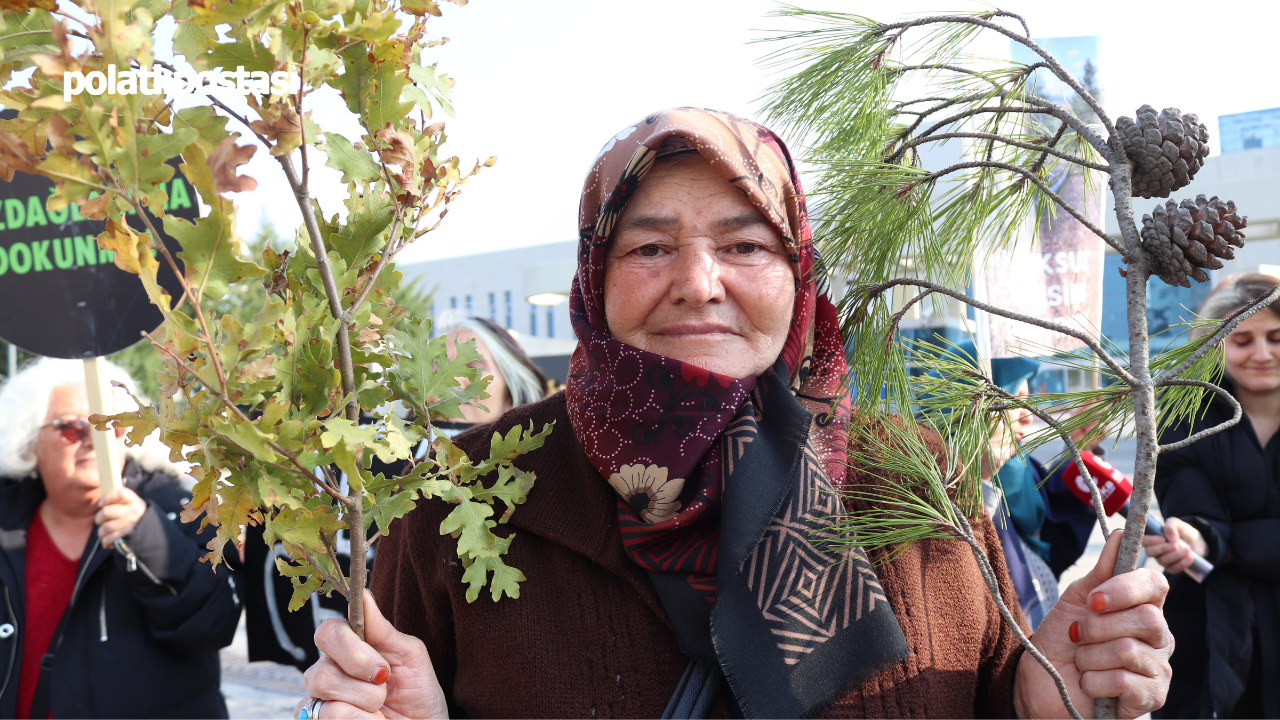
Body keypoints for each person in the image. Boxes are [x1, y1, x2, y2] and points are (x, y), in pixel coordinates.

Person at [298, 108, 1172, 719]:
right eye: (649, 245)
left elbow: (984, 693)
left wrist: (1040, 695)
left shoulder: (909, 472)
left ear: (797, 273)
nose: (700, 281)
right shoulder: (467, 495)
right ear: (594, 278)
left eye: (745, 244)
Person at [244, 315, 548, 671]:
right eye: (436, 366)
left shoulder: (540, 478)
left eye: (473, 365)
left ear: (510, 387)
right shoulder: (382, 457)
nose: (450, 379)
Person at [0, 357, 241, 718]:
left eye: (109, 426)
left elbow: (214, 624)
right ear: (29, 442)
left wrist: (149, 538)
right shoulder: (7, 519)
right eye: (71, 429)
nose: (92, 439)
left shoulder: (182, 505)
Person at [1147, 272, 1280, 718]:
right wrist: (1194, 539)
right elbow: (1197, 521)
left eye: (1276, 337)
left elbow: (1221, 538)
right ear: (1215, 342)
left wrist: (1225, 544)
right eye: (1242, 339)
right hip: (1209, 631)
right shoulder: (1183, 420)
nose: (1262, 353)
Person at [977, 354, 1100, 630]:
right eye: (1014, 399)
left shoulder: (1018, 467)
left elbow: (1052, 521)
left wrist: (1079, 447)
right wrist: (981, 480)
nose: (1028, 417)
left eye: (1027, 401)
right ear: (974, 405)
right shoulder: (935, 480)